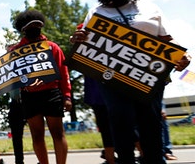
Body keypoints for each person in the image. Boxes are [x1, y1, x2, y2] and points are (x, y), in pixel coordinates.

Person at [70, 0, 191, 164]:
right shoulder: (96, 11)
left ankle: (154, 160)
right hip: (112, 77)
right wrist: (75, 39)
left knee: (150, 122)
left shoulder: (149, 8)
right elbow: (85, 39)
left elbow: (166, 38)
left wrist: (183, 55)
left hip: (148, 75)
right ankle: (125, 160)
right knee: (120, 120)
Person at [13, 9, 71, 164]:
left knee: (58, 133)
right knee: (37, 135)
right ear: (23, 30)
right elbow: (12, 78)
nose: (35, 30)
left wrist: (67, 96)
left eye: (38, 26)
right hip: (29, 96)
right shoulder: (15, 51)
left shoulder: (53, 47)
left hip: (52, 93)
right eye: (31, 27)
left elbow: (64, 73)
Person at [84, 77, 117, 164]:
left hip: (111, 87)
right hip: (98, 90)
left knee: (128, 126)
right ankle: (110, 158)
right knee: (105, 128)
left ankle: (143, 156)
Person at [7, 89, 26, 164]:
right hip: (16, 103)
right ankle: (19, 161)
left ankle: (42, 160)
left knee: (37, 132)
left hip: (30, 99)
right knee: (16, 136)